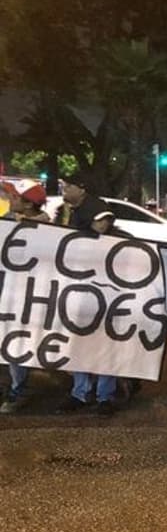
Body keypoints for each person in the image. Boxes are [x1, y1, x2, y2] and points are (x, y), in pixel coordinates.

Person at [55, 173, 120, 416]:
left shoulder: (96, 206)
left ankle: (105, 396)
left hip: (102, 284)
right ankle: (79, 393)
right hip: (76, 283)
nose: (65, 189)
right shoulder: (66, 210)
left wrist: (80, 233)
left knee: (103, 341)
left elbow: (101, 226)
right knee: (79, 340)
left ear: (81, 189)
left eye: (68, 186)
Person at [0, 180, 51, 414]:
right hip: (5, 290)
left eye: (15, 197)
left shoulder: (48, 230)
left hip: (23, 296)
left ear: (28, 204)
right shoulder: (8, 221)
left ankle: (17, 391)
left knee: (15, 342)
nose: (11, 200)